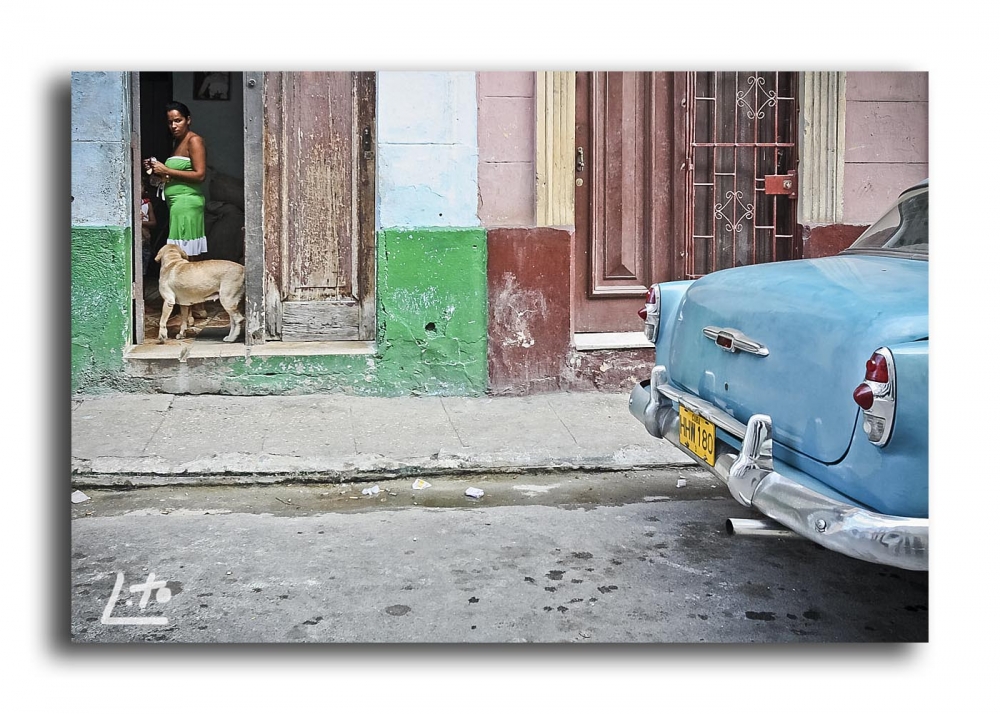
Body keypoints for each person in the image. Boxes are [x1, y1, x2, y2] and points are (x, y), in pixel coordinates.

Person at [144, 101, 209, 316]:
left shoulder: (194, 140)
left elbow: (199, 175)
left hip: (187, 202)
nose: (173, 125)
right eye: (170, 122)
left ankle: (192, 305)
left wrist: (166, 169)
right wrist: (157, 171)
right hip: (177, 203)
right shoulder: (177, 143)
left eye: (178, 120)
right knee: (186, 252)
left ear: (188, 120)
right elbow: (174, 177)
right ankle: (195, 304)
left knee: (186, 253)